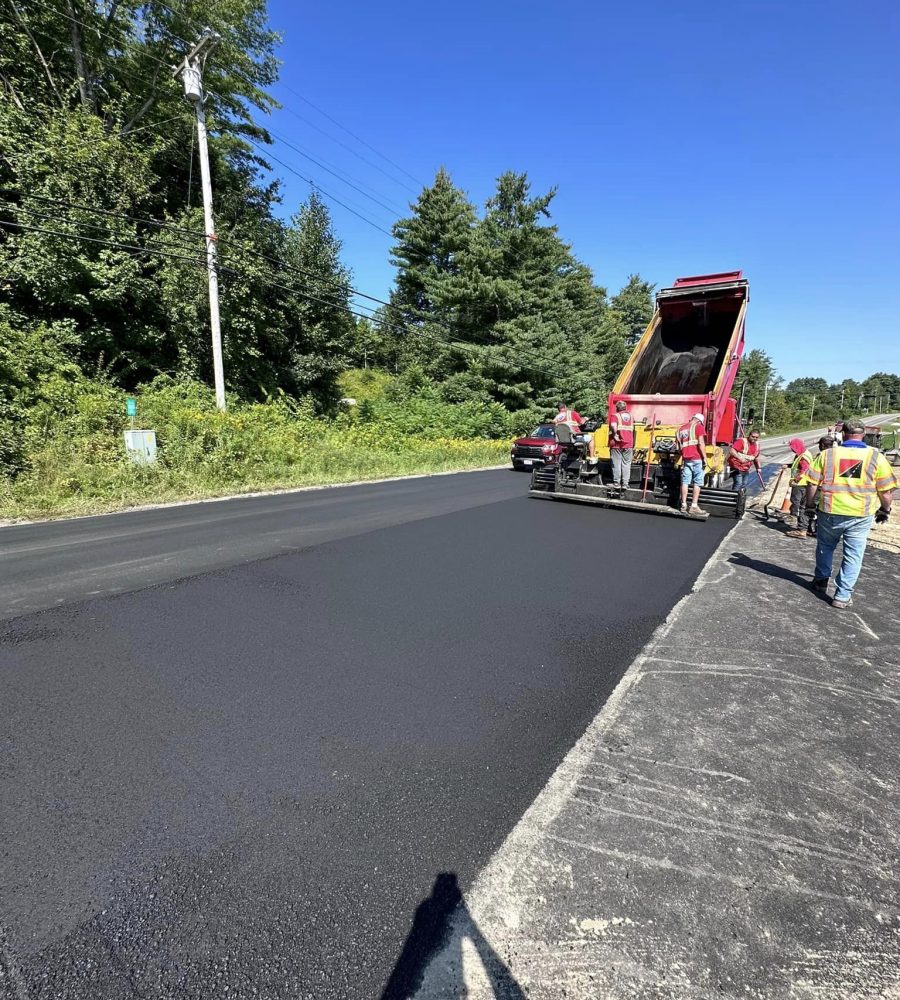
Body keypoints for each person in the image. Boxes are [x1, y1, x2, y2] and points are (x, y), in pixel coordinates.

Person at [806, 418, 896, 609]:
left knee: (825, 547)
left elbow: (812, 483)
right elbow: (886, 491)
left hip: (830, 511)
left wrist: (810, 505)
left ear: (843, 434)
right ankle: (842, 596)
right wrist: (885, 509)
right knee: (853, 555)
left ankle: (821, 581)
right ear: (863, 434)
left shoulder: (828, 455)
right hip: (860, 515)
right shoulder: (876, 457)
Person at [677, 411, 707, 514]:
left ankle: (683, 505)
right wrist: (705, 458)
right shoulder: (698, 427)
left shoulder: (681, 429)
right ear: (699, 421)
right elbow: (701, 443)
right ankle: (694, 506)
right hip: (697, 458)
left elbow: (678, 447)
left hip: (686, 458)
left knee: (685, 482)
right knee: (698, 482)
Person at [784, 438, 814, 538]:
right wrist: (788, 465)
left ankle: (801, 528)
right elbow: (798, 466)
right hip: (805, 484)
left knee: (799, 504)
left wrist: (796, 480)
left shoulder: (804, 456)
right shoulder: (803, 454)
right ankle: (805, 528)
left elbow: (804, 469)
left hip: (801, 484)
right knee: (803, 506)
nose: (792, 450)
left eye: (793, 447)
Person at [608, 400, 634, 490]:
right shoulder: (631, 416)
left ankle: (617, 483)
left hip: (617, 443)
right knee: (626, 464)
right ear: (625, 407)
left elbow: (614, 426)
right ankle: (625, 484)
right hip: (629, 443)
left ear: (617, 408)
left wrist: (615, 435)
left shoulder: (615, 416)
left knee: (617, 463)